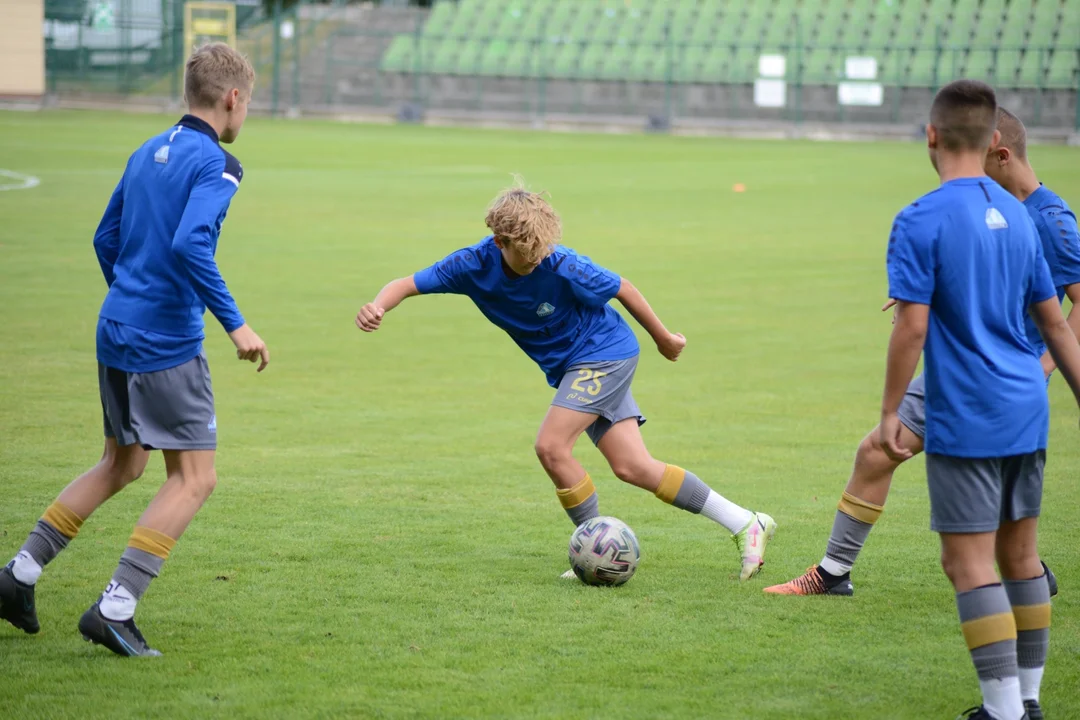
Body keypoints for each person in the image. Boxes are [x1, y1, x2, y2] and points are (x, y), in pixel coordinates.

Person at [355, 180, 776, 581]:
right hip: (578, 365)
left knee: (551, 447)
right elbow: (406, 284)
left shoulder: (562, 262)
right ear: (499, 242)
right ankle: (746, 522)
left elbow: (622, 288)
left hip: (604, 354)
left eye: (542, 253)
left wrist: (664, 338)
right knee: (632, 467)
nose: (538, 261)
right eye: (527, 256)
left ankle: (597, 548)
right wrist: (378, 307)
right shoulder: (470, 265)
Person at [0, 43, 269, 657]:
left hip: (116, 325)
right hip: (165, 338)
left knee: (121, 464)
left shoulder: (146, 150)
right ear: (233, 99)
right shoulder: (219, 165)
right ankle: (115, 608)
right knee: (195, 479)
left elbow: (106, 237)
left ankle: (17, 576)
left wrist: (129, 298)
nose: (244, 114)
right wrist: (236, 325)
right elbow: (191, 244)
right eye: (246, 104)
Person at [765, 104, 1080, 600]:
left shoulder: (1049, 220)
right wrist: (923, 291)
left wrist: (1044, 366)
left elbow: (1072, 308)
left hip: (979, 373)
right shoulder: (999, 212)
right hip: (975, 369)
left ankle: (835, 573)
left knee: (905, 477)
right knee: (930, 477)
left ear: (998, 153)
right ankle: (1028, 578)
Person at [844, 80, 1080, 720]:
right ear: (993, 141)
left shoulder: (921, 217)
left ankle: (1003, 714)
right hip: (1026, 406)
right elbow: (1057, 324)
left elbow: (912, 327)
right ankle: (1027, 704)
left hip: (967, 411)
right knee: (1021, 556)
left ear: (931, 135)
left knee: (968, 564)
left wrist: (891, 410)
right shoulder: (1025, 218)